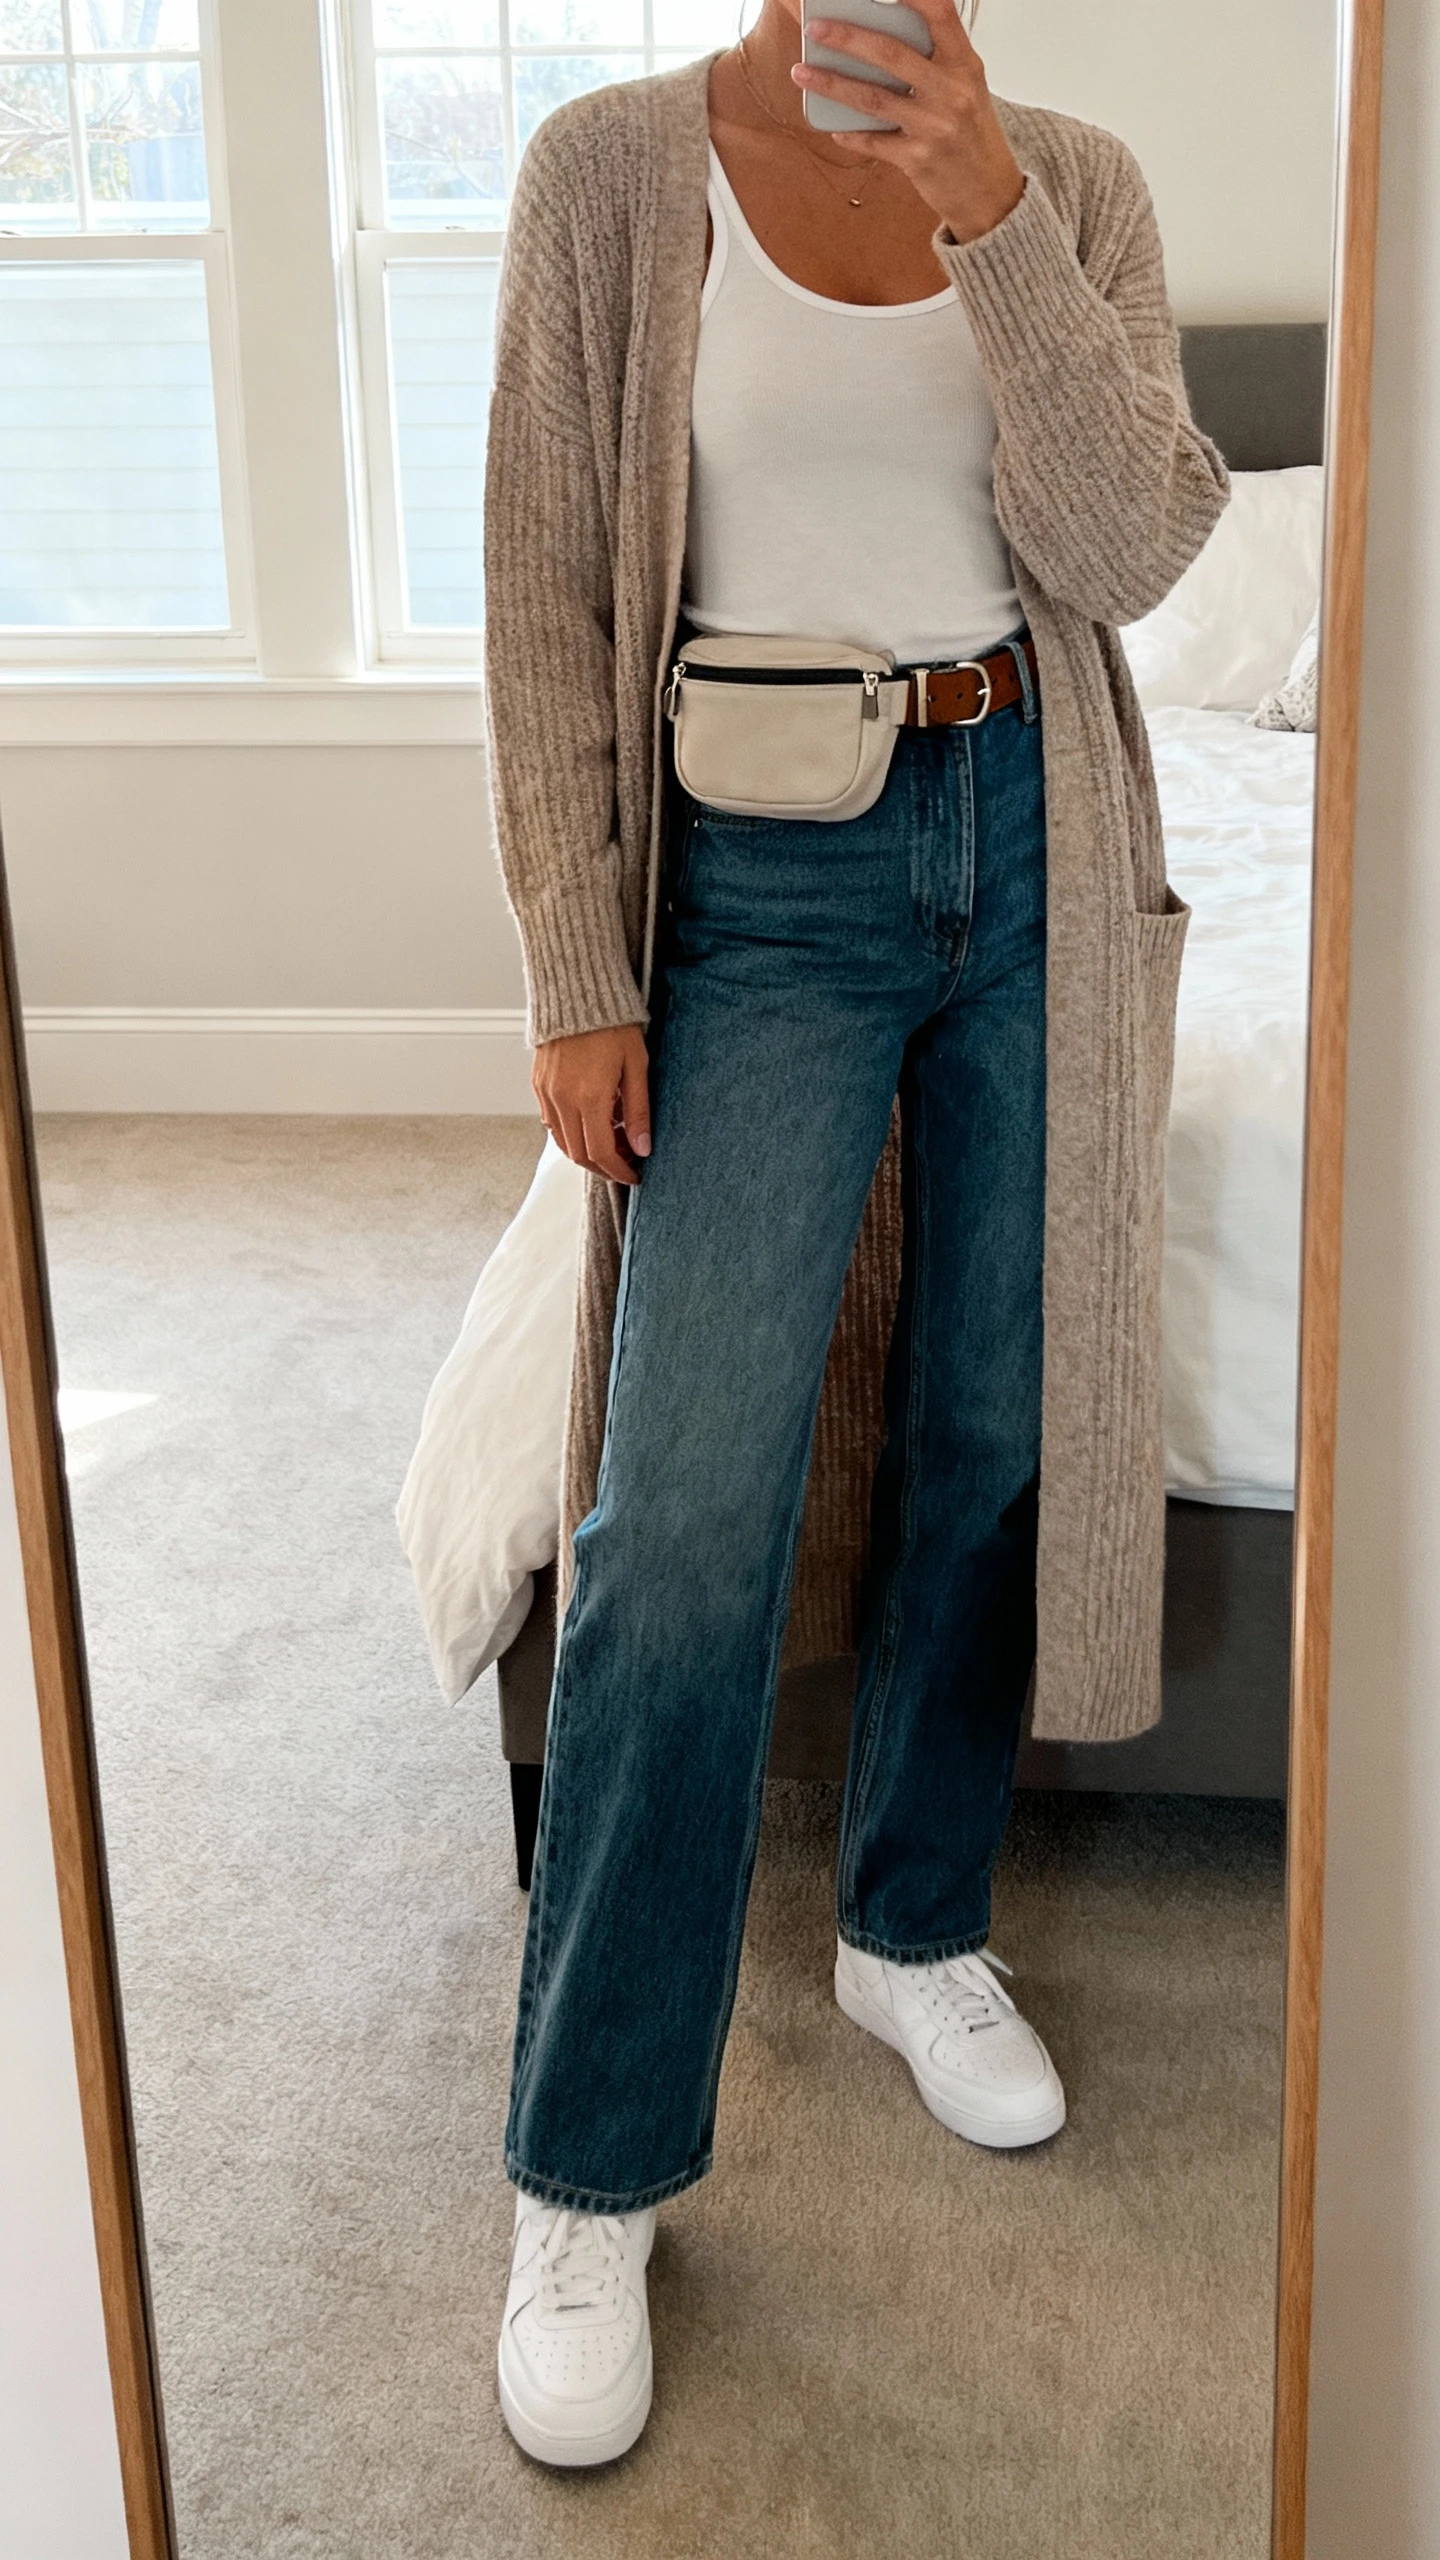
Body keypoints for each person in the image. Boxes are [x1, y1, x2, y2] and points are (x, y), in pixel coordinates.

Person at [481, 0, 1227, 2468]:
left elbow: (1136, 550)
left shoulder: (1076, 179)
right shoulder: (609, 172)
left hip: (1030, 834)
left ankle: (913, 1921)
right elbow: (542, 591)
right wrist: (579, 966)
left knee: (999, 1417)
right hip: (754, 866)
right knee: (677, 1515)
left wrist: (991, 212)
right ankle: (588, 2156)